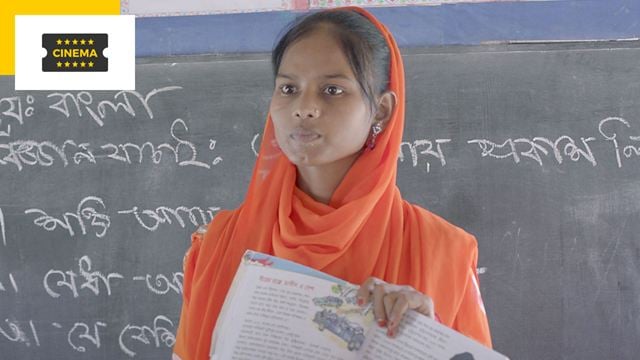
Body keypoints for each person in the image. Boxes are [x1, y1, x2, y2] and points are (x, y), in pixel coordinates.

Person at [172, 6, 491, 359]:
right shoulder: (217, 245)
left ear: (381, 110)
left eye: (333, 90)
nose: (304, 107)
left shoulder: (444, 251)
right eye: (289, 88)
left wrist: (429, 340)